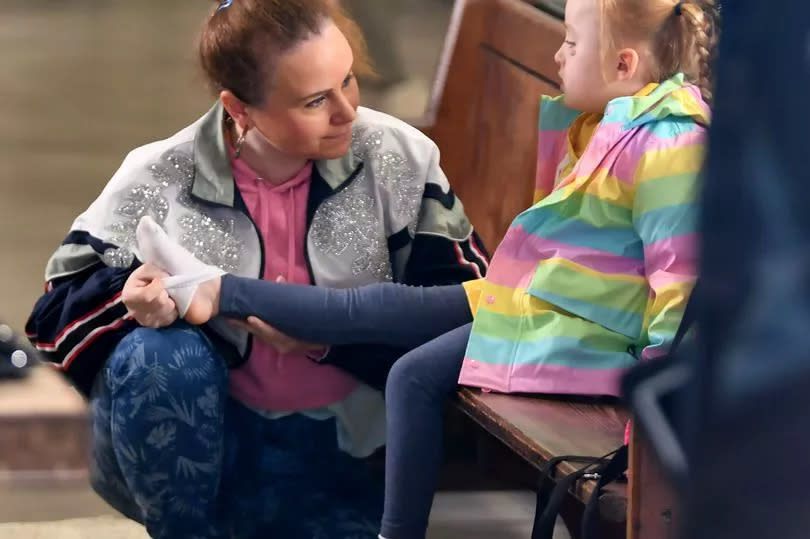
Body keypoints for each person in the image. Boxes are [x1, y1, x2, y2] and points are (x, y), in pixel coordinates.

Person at [128, 0, 719, 537]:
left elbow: (681, 283)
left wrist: (656, 404)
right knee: (388, 335)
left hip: (579, 335)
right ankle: (211, 287)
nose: (557, 55)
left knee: (388, 337)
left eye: (570, 42)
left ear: (622, 63)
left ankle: (212, 289)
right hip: (543, 309)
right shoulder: (619, 124)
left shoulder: (668, 143)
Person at [24, 1, 487, 537]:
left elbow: (467, 311)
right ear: (239, 109)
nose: (347, 112)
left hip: (350, 450)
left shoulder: (399, 157)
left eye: (349, 81)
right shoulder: (158, 174)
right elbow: (53, 312)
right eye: (316, 100)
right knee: (161, 355)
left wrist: (327, 342)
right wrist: (130, 300)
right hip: (210, 448)